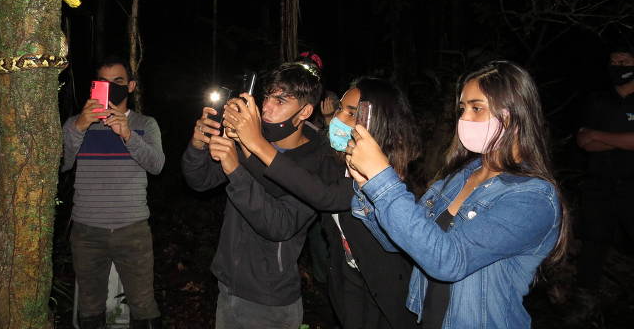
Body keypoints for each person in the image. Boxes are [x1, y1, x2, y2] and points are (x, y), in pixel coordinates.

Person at [347, 60, 568, 328]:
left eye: (477, 108)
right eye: (462, 108)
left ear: (513, 115)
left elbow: (449, 260)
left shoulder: (532, 198)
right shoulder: (458, 177)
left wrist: (383, 178)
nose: (464, 118)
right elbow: (401, 241)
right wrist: (367, 188)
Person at [223, 77, 420, 329]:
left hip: (390, 293)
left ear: (378, 122)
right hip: (349, 283)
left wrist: (256, 142)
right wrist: (243, 145)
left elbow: (323, 196)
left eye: (351, 113)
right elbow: (283, 184)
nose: (338, 118)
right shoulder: (335, 161)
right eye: (340, 109)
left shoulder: (382, 174)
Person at [181, 61, 327, 329]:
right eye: (267, 96)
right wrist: (198, 145)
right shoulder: (251, 137)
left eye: (281, 100)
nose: (266, 108)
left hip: (270, 301)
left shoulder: (316, 162)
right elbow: (199, 181)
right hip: (228, 285)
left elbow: (280, 225)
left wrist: (236, 168)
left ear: (305, 111)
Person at [61, 55, 164, 329]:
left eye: (118, 81)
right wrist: (79, 127)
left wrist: (128, 135)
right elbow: (60, 164)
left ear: (130, 86)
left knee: (143, 305)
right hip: (86, 231)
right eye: (104, 82)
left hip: (132, 229)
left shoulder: (145, 124)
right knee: (90, 305)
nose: (112, 87)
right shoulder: (77, 123)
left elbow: (156, 166)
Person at [567, 43, 634, 325]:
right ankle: (585, 306)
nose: (618, 66)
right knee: (592, 246)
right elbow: (583, 141)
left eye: (624, 61)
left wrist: (599, 136)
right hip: (599, 187)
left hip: (632, 187)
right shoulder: (597, 100)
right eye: (613, 61)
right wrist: (621, 141)